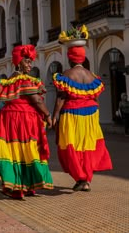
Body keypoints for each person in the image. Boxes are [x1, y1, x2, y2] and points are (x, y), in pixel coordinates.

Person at [0, 44, 53, 199]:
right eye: (27, 61)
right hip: (23, 118)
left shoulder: (8, 80)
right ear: (18, 62)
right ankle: (23, 186)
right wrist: (47, 114)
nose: (30, 65)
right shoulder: (24, 80)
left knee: (14, 152)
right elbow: (36, 100)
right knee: (26, 150)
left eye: (30, 62)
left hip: (8, 119)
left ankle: (18, 186)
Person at [52, 46, 112, 192]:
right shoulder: (92, 76)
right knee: (87, 146)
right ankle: (85, 179)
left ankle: (81, 178)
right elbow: (96, 98)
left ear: (70, 59)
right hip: (91, 115)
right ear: (83, 59)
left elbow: (61, 97)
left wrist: (54, 116)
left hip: (72, 114)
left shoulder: (66, 74)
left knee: (71, 145)